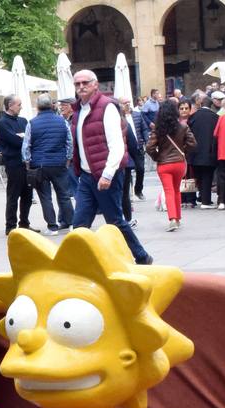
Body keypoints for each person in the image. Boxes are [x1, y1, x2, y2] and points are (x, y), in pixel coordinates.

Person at [69, 69, 153, 265]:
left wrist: (107, 174)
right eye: (77, 84)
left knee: (114, 221)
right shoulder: (78, 110)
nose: (81, 87)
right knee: (79, 225)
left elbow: (117, 145)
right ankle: (78, 264)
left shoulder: (106, 107)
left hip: (106, 174)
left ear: (95, 84)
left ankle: (142, 256)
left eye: (85, 83)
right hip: (87, 176)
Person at [22, 93, 74, 236]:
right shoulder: (62, 121)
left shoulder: (31, 123)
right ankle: (70, 224)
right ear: (52, 105)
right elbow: (69, 142)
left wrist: (27, 163)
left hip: (39, 165)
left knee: (45, 197)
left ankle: (52, 226)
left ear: (38, 106)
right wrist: (68, 159)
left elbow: (26, 146)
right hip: (59, 164)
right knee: (64, 195)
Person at [147, 99, 195, 231]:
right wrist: (183, 151)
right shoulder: (183, 127)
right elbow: (192, 143)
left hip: (164, 164)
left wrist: (157, 157)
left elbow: (149, 147)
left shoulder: (157, 130)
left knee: (168, 191)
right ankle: (178, 218)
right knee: (176, 190)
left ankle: (172, 219)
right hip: (179, 163)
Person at [0, 94, 33, 234]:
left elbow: (30, 138)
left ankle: (24, 223)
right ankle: (10, 226)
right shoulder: (3, 123)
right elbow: (15, 141)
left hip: (27, 163)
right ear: (10, 105)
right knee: (13, 195)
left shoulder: (23, 121)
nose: (21, 107)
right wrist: (23, 138)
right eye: (19, 104)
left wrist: (23, 138)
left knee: (28, 195)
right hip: (13, 163)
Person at [188, 91, 219, 208]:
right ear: (211, 105)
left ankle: (202, 197)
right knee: (207, 176)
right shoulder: (215, 117)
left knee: (199, 176)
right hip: (209, 152)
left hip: (194, 152)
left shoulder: (193, 117)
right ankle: (205, 201)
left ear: (200, 104)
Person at [126, 99, 150, 200]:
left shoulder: (137, 115)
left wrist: (146, 140)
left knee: (141, 169)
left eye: (128, 103)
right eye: (124, 103)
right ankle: (128, 194)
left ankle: (138, 190)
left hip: (138, 147)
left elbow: (144, 129)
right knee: (127, 172)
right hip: (126, 149)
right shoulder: (118, 117)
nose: (127, 105)